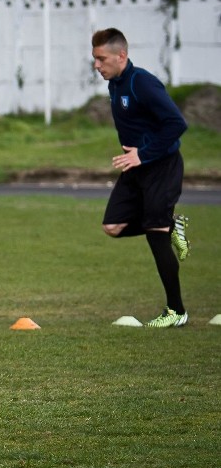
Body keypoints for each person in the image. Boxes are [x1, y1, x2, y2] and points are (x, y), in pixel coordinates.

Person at [92, 28, 191, 328]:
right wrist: (136, 156)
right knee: (112, 226)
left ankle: (177, 311)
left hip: (161, 167)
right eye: (94, 59)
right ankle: (171, 224)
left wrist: (143, 153)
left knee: (155, 233)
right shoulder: (115, 84)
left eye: (101, 59)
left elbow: (177, 123)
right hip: (136, 168)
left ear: (121, 55)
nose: (97, 65)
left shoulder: (142, 82)